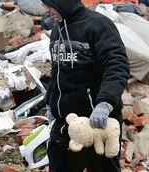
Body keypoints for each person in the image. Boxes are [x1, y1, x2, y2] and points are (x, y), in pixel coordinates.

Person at [42, 0, 130, 171]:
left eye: (50, 5)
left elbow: (117, 65)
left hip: (96, 123)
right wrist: (51, 103)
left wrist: (105, 104)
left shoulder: (98, 26)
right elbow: (58, 71)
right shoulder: (57, 29)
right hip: (65, 126)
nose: (48, 11)